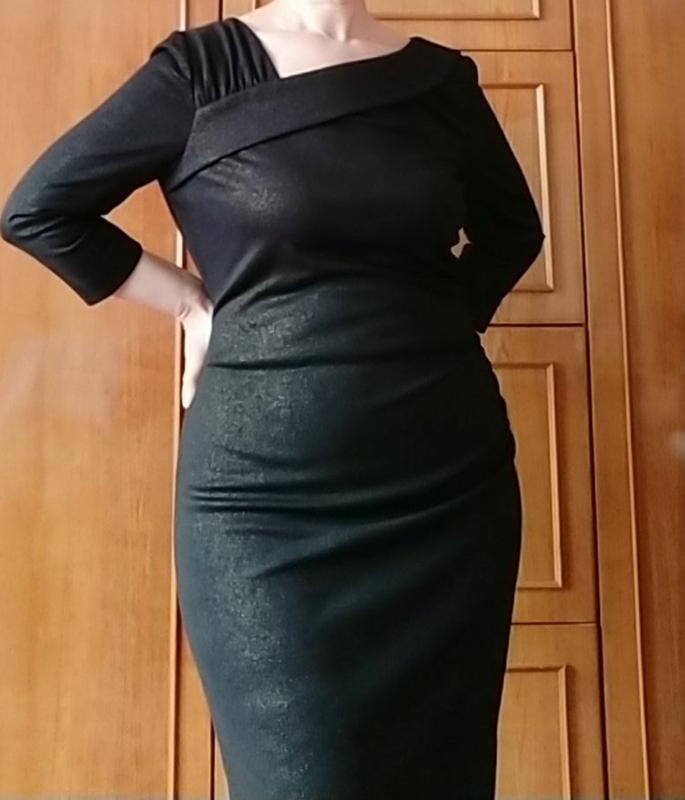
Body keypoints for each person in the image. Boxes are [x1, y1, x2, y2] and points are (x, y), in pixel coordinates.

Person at [0, 1, 545, 797]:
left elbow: (513, 232)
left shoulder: (438, 80)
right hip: (263, 506)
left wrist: (427, 325)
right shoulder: (199, 73)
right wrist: (191, 306)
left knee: (446, 774)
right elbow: (39, 212)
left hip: (446, 489)